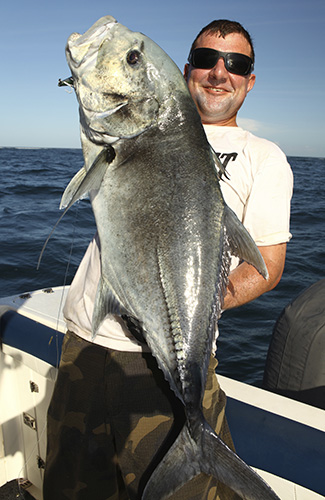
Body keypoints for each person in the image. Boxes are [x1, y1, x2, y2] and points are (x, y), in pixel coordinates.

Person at [43, 20, 293, 500]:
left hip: (166, 371)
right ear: (184, 72)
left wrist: (185, 308)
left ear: (250, 80)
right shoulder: (151, 128)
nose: (219, 72)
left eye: (236, 64)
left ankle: (196, 441)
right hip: (84, 346)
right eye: (206, 60)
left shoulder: (264, 158)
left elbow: (267, 267)